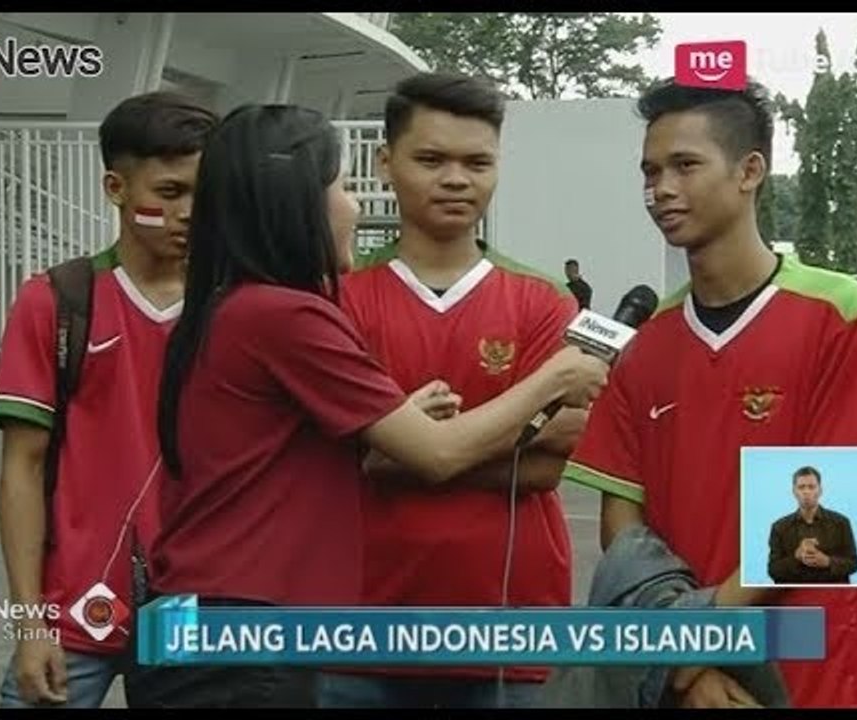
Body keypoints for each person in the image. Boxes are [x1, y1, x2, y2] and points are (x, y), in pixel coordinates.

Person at [122, 103, 608, 709]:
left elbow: (549, 455)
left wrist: (386, 444)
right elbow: (438, 454)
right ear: (298, 201)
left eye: (477, 160)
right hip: (249, 632)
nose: (354, 205)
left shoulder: (236, 306)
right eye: (341, 186)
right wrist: (553, 377)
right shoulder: (289, 315)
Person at [567, 77, 857, 708]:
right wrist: (686, 670)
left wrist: (695, 643)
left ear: (750, 171)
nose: (660, 189)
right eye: (650, 170)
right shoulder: (646, 341)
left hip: (811, 669)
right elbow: (623, 530)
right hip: (690, 678)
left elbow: (827, 517)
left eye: (685, 166)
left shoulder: (839, 312)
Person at [316, 73, 588, 709]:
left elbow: (554, 459)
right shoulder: (334, 301)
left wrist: (396, 453)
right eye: (431, 159)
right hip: (357, 628)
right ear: (386, 163)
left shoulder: (544, 301)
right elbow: (322, 460)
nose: (457, 179)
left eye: (477, 162)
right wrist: (498, 437)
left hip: (512, 630)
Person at [0, 91, 218, 708]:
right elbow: (22, 469)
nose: (190, 212)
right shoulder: (57, 301)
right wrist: (28, 625)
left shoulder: (239, 309)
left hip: (195, 615)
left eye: (206, 193)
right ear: (116, 187)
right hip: (72, 614)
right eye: (169, 194)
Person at [767, 466, 857, 585]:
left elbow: (854, 564)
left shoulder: (841, 523)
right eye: (801, 487)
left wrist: (828, 562)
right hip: (795, 597)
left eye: (811, 487)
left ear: (820, 490)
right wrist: (796, 556)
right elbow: (773, 570)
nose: (806, 492)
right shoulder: (779, 527)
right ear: (794, 491)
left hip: (832, 596)